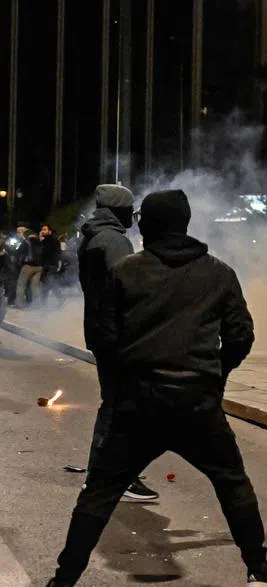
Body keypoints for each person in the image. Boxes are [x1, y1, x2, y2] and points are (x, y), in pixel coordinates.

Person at [29, 190, 267, 587]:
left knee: (99, 494)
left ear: (146, 226)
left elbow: (106, 335)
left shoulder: (127, 272)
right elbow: (241, 335)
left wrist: (126, 380)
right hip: (197, 403)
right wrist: (216, 375)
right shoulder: (219, 273)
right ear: (185, 224)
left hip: (140, 404)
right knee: (233, 483)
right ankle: (260, 569)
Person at [70, 184, 159, 502]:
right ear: (119, 209)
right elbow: (131, 286)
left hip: (102, 330)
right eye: (130, 208)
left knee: (119, 403)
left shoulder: (94, 235)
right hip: (117, 334)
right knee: (120, 406)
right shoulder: (112, 239)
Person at [15, 226, 43, 307]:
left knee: (21, 285)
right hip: (39, 267)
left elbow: (19, 254)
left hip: (28, 266)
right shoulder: (40, 241)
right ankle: (37, 305)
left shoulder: (26, 242)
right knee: (35, 287)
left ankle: (19, 304)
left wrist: (19, 264)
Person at [37, 224, 63, 306]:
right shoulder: (46, 240)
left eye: (44, 229)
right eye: (42, 229)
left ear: (50, 231)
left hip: (51, 265)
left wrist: (41, 241)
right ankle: (61, 299)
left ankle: (43, 304)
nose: (42, 231)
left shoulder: (52, 240)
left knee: (47, 283)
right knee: (49, 283)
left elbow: (54, 253)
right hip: (47, 265)